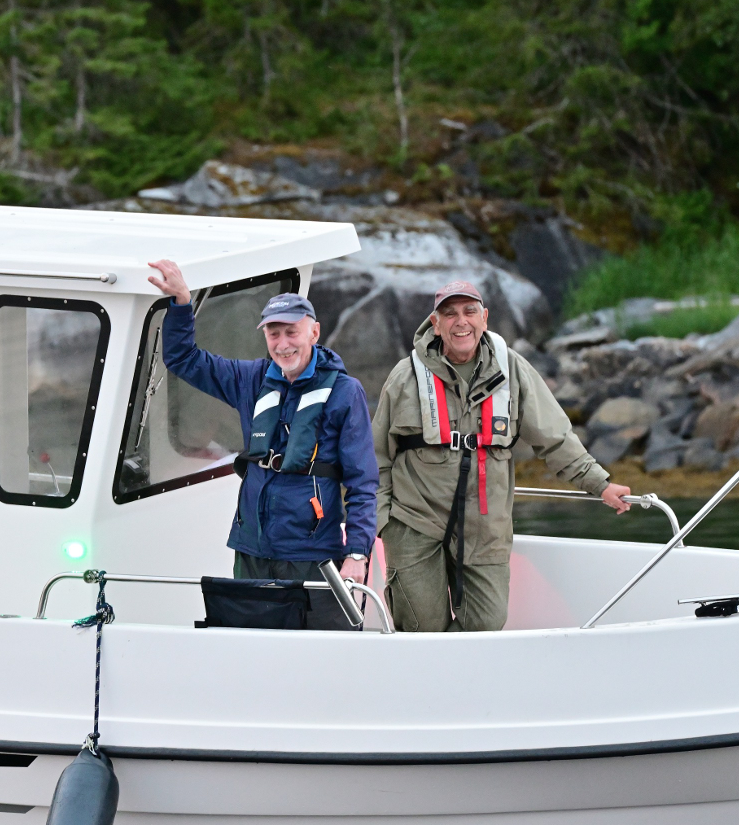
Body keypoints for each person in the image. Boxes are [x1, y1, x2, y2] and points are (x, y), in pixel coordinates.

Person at [374, 280, 632, 632]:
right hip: (414, 523)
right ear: (435, 323)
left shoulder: (512, 369)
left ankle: (463, 684)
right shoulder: (404, 376)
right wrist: (382, 522)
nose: (460, 321)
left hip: (486, 525)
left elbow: (555, 437)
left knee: (487, 624)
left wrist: (599, 484)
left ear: (485, 317)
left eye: (469, 311)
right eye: (449, 314)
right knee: (421, 628)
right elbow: (376, 457)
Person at [147, 259, 377, 629]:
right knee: (250, 651)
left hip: (313, 555)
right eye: (274, 334)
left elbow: (363, 482)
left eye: (292, 332)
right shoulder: (250, 379)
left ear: (314, 332)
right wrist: (180, 304)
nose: (283, 344)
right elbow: (182, 358)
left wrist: (357, 553)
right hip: (251, 549)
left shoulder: (346, 393)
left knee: (320, 656)